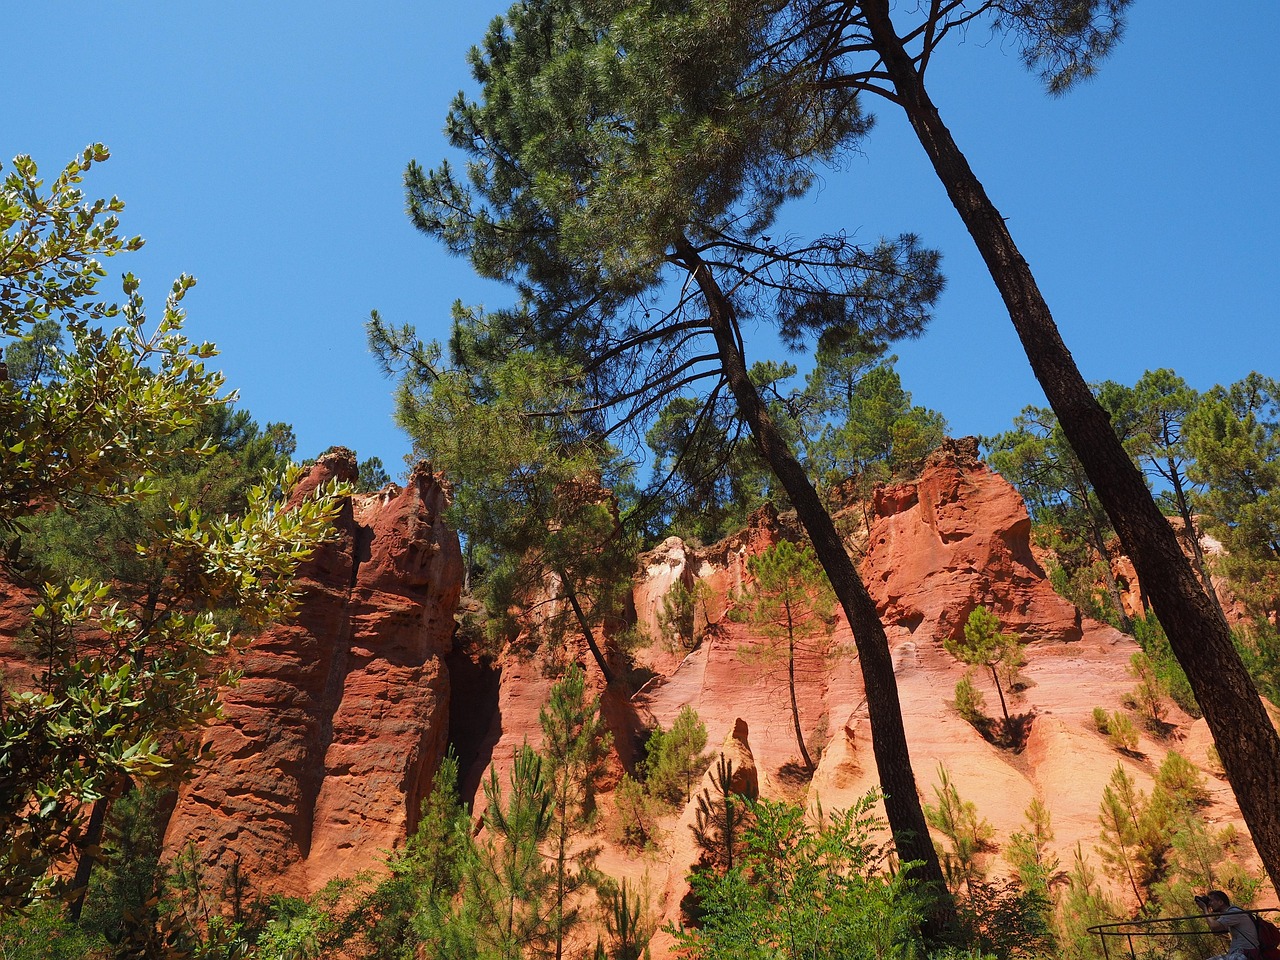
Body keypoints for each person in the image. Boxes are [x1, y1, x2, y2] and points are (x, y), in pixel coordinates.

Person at [1199, 890, 1261, 960]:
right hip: (1240, 952)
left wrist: (1205, 909)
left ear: (1221, 902)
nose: (1210, 904)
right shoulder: (1230, 913)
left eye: (1211, 901)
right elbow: (1216, 932)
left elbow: (1214, 927)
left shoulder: (1233, 912)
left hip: (1245, 953)